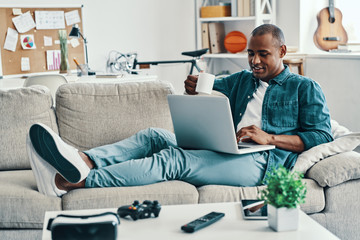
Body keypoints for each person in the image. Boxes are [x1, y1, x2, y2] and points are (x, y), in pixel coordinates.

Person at [27, 24, 333, 197]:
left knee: (173, 160)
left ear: (282, 52)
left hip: (264, 164)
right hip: (232, 148)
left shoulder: (305, 88)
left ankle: (71, 182)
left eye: (262, 54)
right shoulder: (242, 80)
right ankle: (83, 160)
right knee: (153, 136)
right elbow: (208, 89)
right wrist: (194, 86)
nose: (253, 61)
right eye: (250, 54)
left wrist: (271, 138)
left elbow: (321, 136)